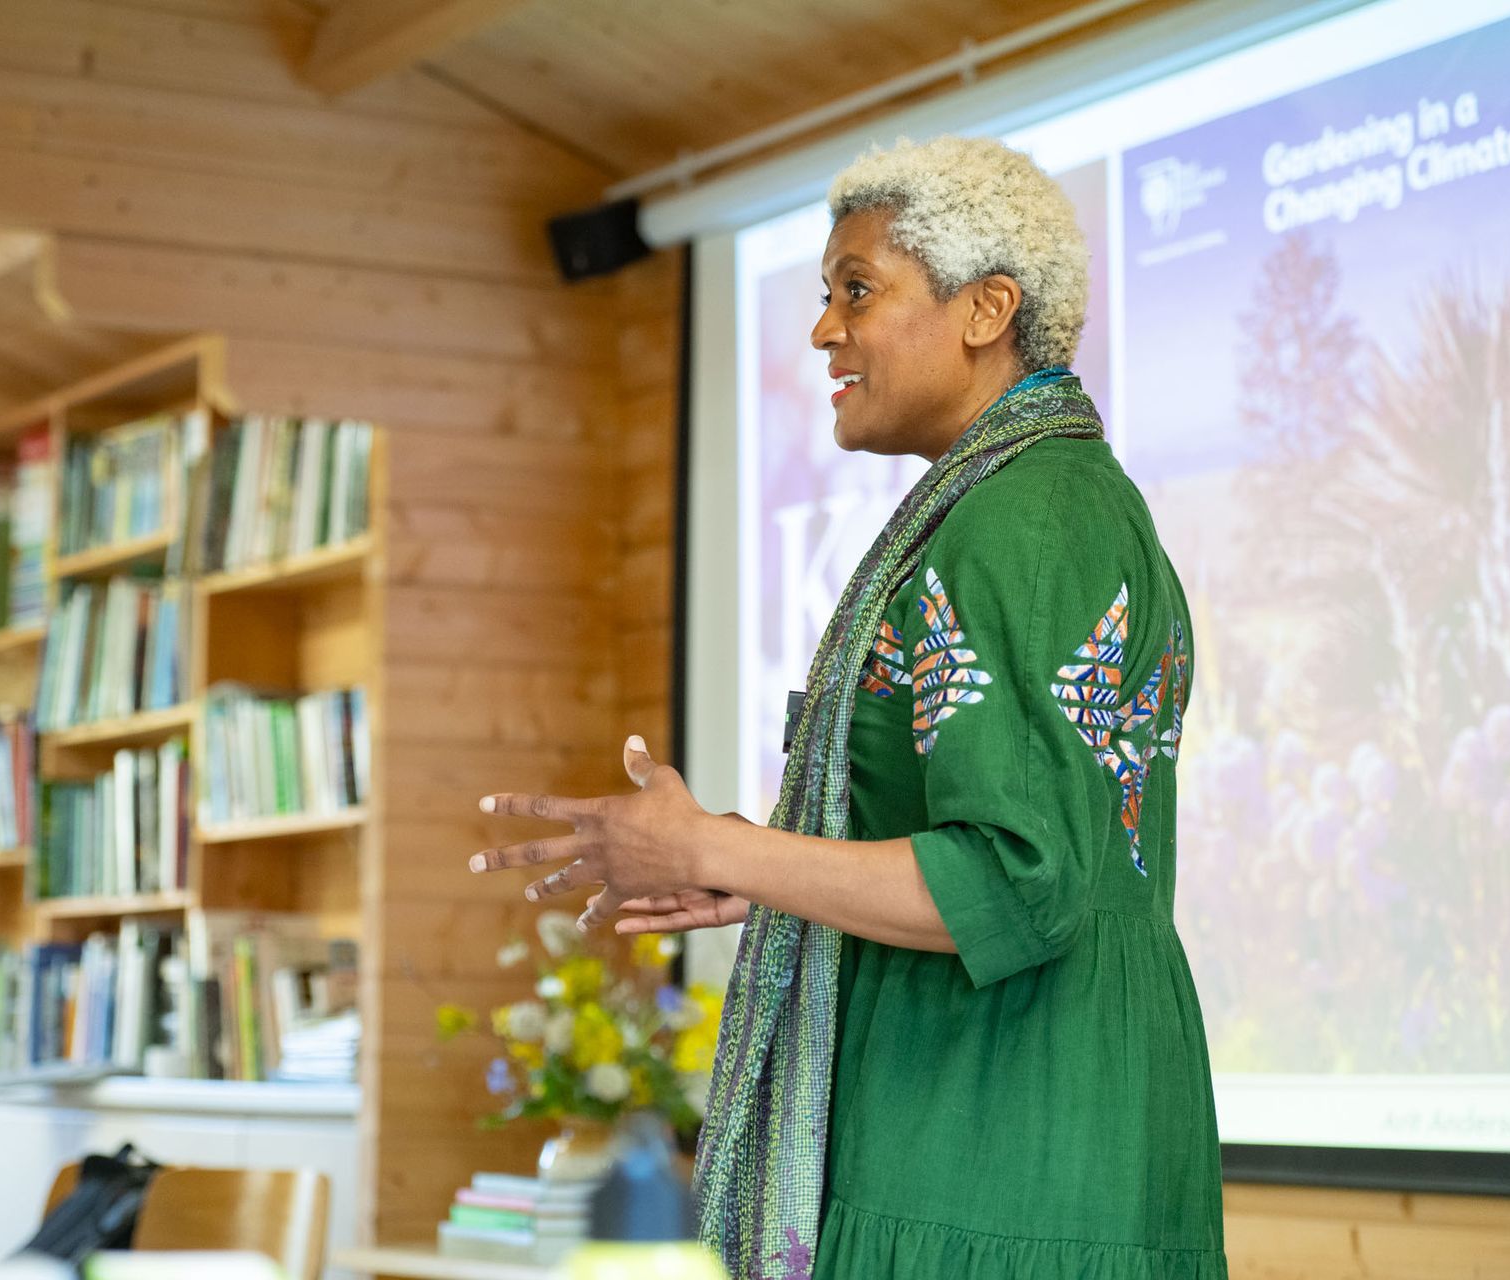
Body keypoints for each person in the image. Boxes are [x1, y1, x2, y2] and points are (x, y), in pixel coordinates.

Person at [469, 135, 1227, 1278]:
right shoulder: (1039, 500)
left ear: (987, 309)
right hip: (1001, 1110)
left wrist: (726, 843)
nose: (824, 329)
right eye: (825, 294)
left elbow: (1017, 879)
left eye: (857, 291)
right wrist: (747, 868)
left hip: (997, 1132)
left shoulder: (1021, 518)